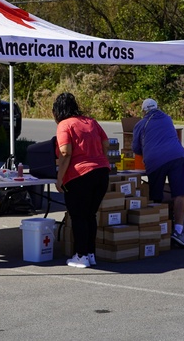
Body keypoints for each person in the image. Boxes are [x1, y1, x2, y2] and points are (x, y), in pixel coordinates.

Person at [53, 92, 111, 268]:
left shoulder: (65, 124)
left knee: (78, 216)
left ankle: (81, 255)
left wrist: (59, 178)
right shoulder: (90, 121)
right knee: (90, 215)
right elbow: (106, 144)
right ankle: (90, 253)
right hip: (102, 172)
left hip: (80, 175)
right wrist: (98, 158)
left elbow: (65, 152)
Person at [131, 98, 184, 248]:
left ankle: (156, 229)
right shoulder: (167, 119)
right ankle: (178, 230)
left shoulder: (140, 124)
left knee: (156, 196)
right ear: (157, 107)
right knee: (179, 193)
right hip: (177, 156)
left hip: (155, 161)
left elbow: (135, 149)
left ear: (143, 111)